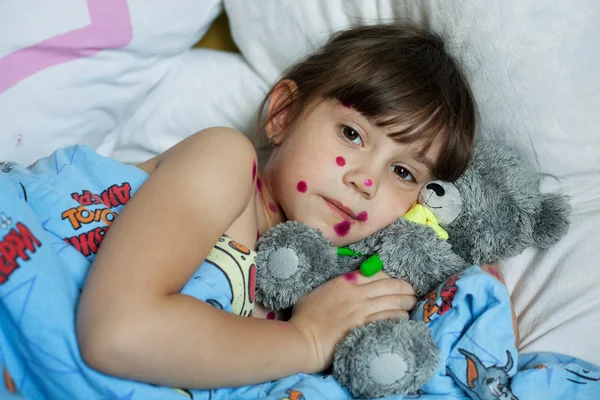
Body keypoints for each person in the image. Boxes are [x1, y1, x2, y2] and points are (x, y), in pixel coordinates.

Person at [73, 23, 480, 389]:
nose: (367, 181)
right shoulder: (225, 163)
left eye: (404, 173)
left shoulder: (322, 301)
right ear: (283, 115)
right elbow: (116, 332)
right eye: (352, 134)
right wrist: (307, 340)